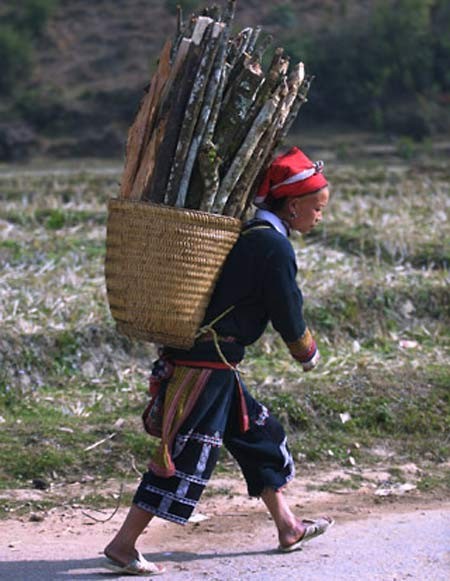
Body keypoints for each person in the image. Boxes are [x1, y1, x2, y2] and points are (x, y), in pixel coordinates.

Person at [103, 147, 333, 575]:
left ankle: (288, 526)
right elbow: (287, 306)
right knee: (184, 453)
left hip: (214, 361)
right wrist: (306, 352)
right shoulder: (272, 249)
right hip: (206, 365)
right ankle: (123, 544)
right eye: (317, 208)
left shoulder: (253, 236)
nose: (320, 216)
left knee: (256, 432)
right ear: (295, 205)